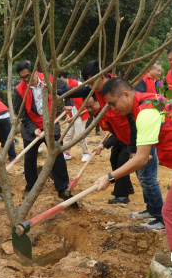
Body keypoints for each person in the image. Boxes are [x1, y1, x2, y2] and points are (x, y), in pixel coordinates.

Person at [96, 77, 172, 255]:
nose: (113, 109)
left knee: (170, 213)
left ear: (125, 94)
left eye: (113, 104)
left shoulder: (146, 112)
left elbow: (141, 159)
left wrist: (109, 177)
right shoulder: (150, 98)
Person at [57, 60, 135, 205]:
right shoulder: (95, 90)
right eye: (89, 83)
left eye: (92, 82)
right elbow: (77, 91)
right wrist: (58, 92)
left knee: (125, 163)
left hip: (131, 134)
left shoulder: (117, 87)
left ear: (102, 77)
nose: (91, 87)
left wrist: (134, 146)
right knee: (114, 158)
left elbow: (131, 114)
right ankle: (126, 187)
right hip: (118, 133)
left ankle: (122, 194)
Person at [84, 94, 164, 228]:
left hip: (142, 144)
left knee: (148, 179)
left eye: (91, 106)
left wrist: (109, 177)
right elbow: (117, 133)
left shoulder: (141, 113)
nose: (115, 109)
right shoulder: (108, 113)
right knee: (143, 178)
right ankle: (151, 210)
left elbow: (132, 133)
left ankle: (161, 218)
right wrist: (103, 146)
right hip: (133, 144)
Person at [13, 60, 73, 200]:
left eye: (28, 76)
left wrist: (68, 103)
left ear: (35, 71)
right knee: (29, 158)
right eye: (23, 77)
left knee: (57, 154)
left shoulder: (49, 79)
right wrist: (34, 129)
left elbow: (65, 87)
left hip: (51, 123)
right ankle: (31, 187)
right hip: (31, 126)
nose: (26, 80)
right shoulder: (19, 89)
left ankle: (62, 187)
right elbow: (19, 111)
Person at [58, 71, 91, 162]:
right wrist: (68, 115)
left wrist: (87, 106)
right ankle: (67, 153)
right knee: (68, 134)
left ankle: (86, 153)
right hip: (70, 112)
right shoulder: (62, 88)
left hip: (80, 111)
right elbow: (66, 102)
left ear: (62, 77)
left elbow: (88, 94)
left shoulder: (78, 84)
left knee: (80, 134)